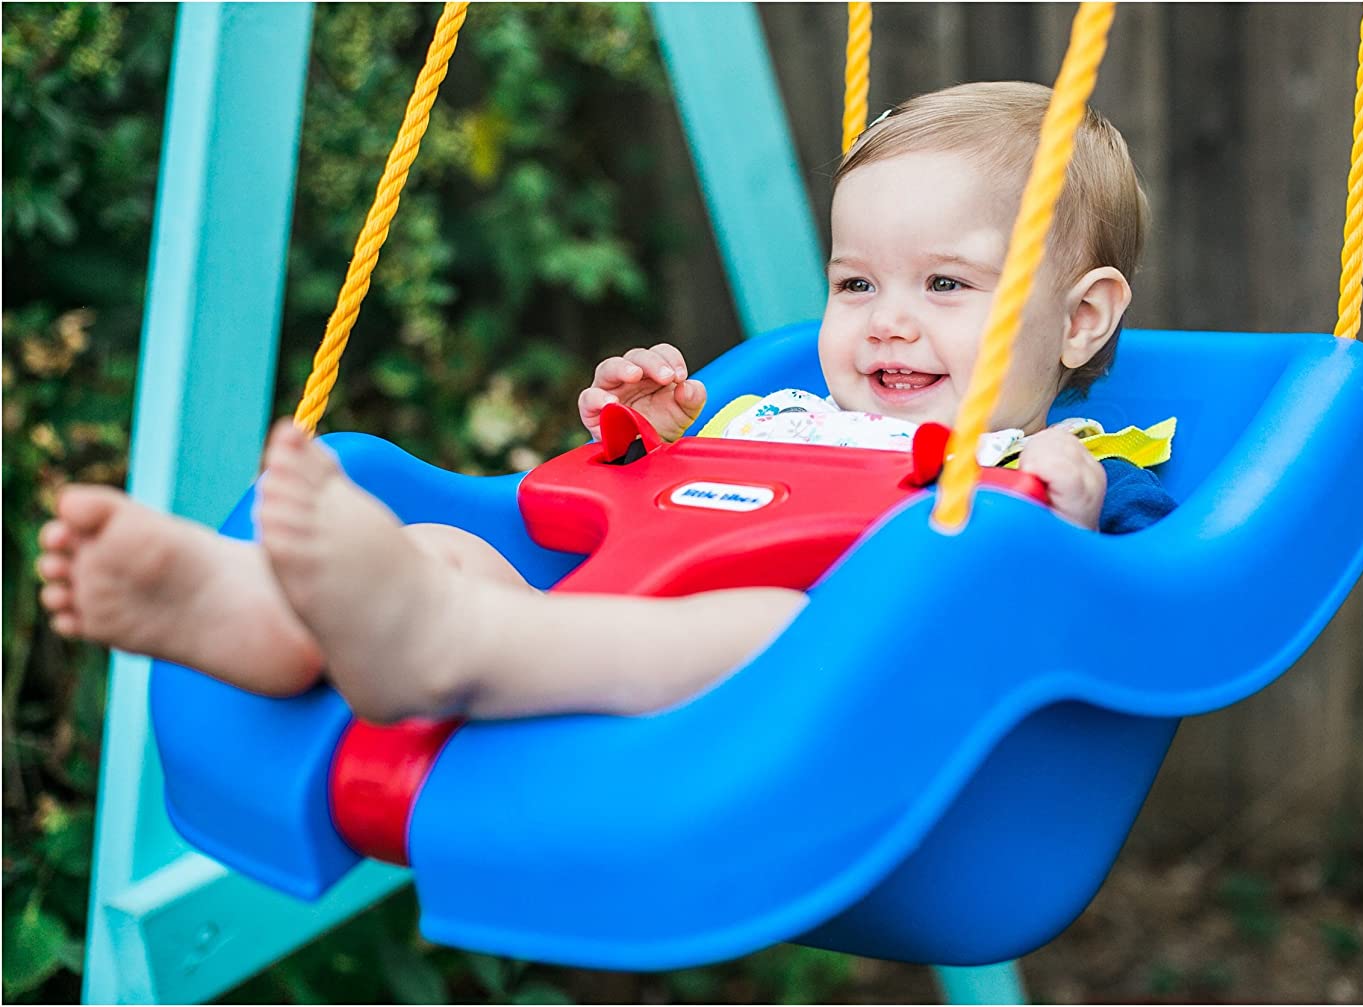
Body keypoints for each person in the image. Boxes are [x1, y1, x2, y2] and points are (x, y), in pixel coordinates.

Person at [36, 82, 1175, 725]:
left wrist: (1058, 494)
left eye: (946, 285)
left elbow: (1066, 580)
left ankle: (446, 645)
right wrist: (659, 439)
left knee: (772, 628)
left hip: (817, 698)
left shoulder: (1053, 451)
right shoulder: (785, 412)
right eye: (855, 284)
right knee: (450, 550)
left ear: (1081, 319)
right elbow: (672, 511)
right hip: (612, 608)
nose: (886, 321)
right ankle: (269, 616)